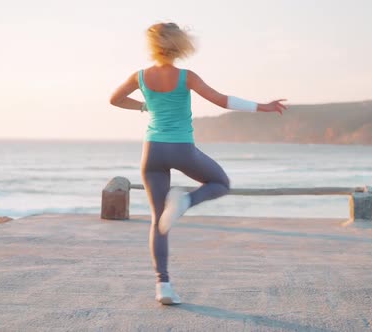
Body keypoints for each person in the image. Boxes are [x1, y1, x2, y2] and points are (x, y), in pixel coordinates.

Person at [109, 22, 286, 305]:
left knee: (158, 221)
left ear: (153, 46)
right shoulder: (185, 77)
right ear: (179, 45)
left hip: (152, 152)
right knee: (220, 183)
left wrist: (145, 105)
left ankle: (163, 285)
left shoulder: (140, 76)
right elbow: (221, 100)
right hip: (181, 149)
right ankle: (187, 202)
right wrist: (262, 106)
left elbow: (114, 99)